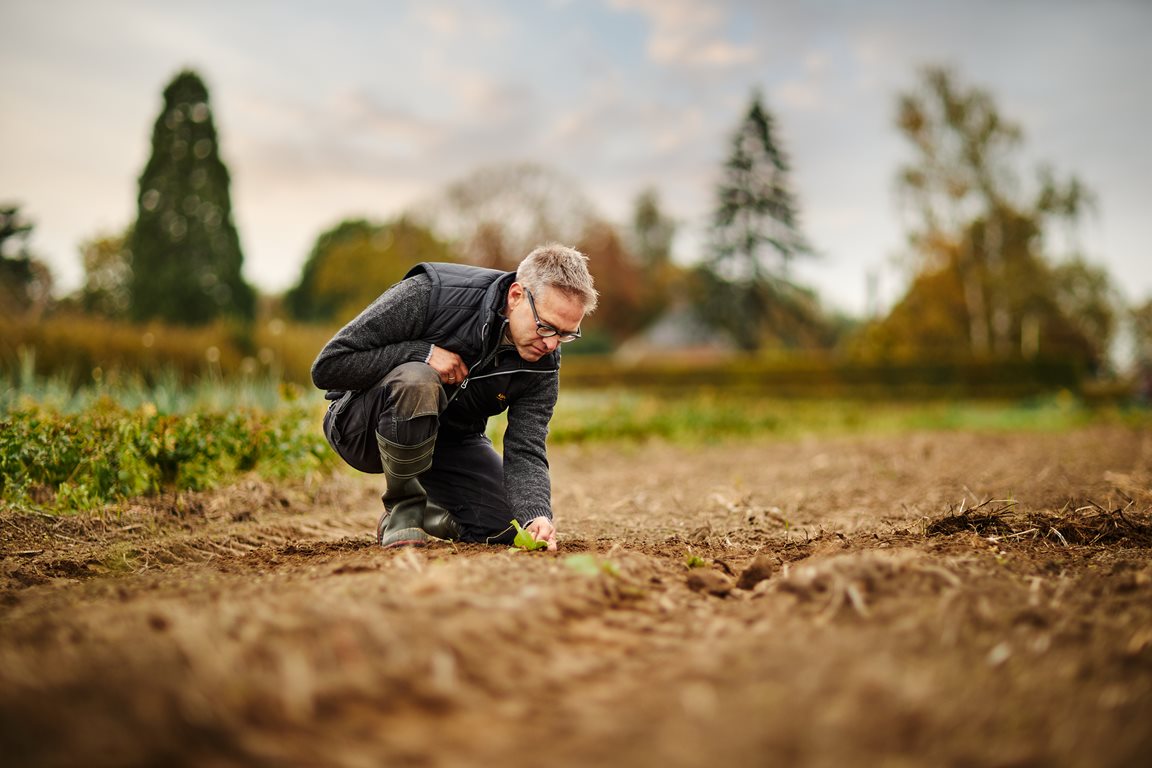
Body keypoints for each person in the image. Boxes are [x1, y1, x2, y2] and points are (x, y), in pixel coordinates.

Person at [311, 243, 598, 550]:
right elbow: (328, 366)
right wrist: (423, 353)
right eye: (546, 327)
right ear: (516, 296)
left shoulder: (543, 364)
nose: (552, 344)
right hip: (361, 427)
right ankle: (403, 511)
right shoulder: (430, 294)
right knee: (418, 379)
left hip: (450, 441)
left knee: (509, 528)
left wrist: (536, 516)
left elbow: (525, 446)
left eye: (566, 334)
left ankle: (425, 514)